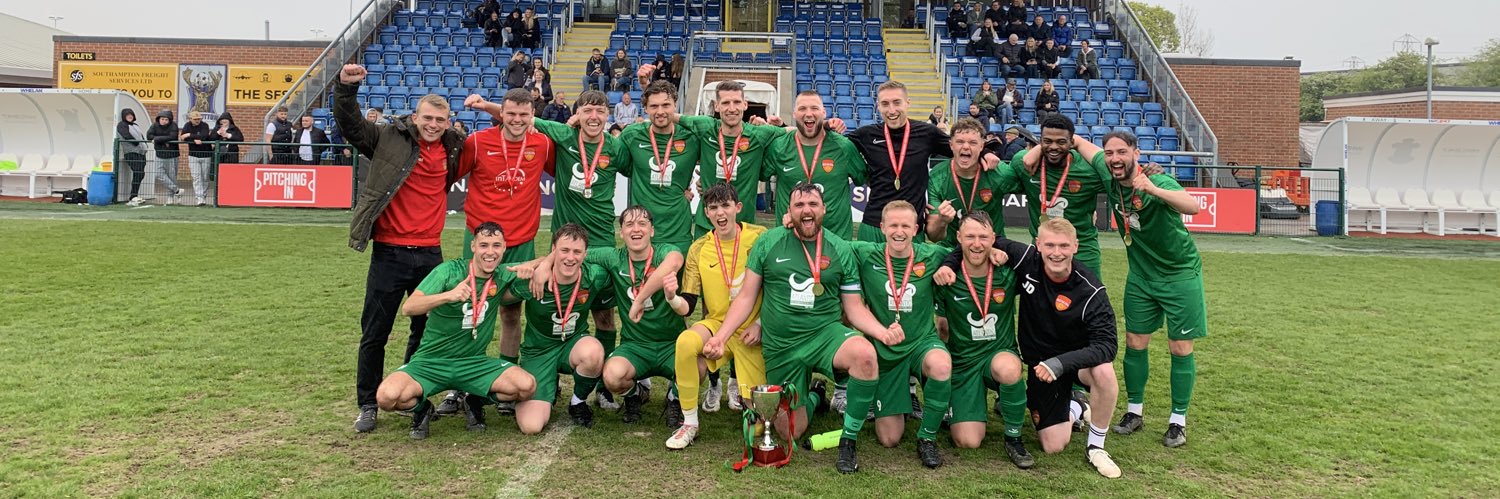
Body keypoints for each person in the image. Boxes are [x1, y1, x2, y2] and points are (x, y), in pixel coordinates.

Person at [710, 183, 889, 474]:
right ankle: (817, 394)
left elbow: (854, 307)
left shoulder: (840, 248)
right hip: (783, 345)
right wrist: (721, 337)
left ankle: (848, 440)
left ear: (824, 209)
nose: (806, 210)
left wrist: (881, 333)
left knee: (865, 356)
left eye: (813, 204)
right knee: (790, 432)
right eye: (799, 205)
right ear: (788, 211)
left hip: (824, 335)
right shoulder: (768, 243)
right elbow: (746, 297)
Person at [334, 64, 468, 434]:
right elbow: (350, 125)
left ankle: (415, 397)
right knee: (375, 331)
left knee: (426, 331)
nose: (433, 124)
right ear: (415, 116)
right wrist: (346, 89)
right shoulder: (387, 138)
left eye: (440, 119)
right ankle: (367, 403)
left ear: (448, 122)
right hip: (389, 253)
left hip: (430, 255)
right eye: (428, 117)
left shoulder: (452, 147)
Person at [937, 217, 1123, 478]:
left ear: (1075, 247)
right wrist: (948, 262)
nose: (1056, 253)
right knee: (1052, 445)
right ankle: (1076, 407)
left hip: (1074, 364)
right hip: (1041, 369)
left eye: (1063, 246)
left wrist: (1061, 363)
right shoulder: (1027, 260)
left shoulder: (1090, 289)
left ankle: (1096, 446)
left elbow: (1107, 345)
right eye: (1049, 245)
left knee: (1104, 371)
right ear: (1038, 245)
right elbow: (977, 241)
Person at [479, 89, 629, 411]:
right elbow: (520, 119)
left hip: (601, 242)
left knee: (604, 314)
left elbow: (642, 170)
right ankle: (539, 369)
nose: (593, 117)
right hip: (562, 246)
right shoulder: (562, 134)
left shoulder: (617, 148)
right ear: (577, 114)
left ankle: (601, 384)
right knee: (550, 305)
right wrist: (485, 105)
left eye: (600, 111)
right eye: (587, 110)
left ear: (608, 116)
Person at [1091, 131, 1207, 449]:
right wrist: (1073, 142)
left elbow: (1193, 206)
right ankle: (1134, 412)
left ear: (1136, 153)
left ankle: (1177, 421)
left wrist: (1153, 188)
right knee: (1134, 341)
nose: (1115, 158)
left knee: (1180, 347)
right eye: (1109, 152)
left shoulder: (1160, 182)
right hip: (1141, 276)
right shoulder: (1109, 173)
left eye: (1122, 152)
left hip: (1179, 274)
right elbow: (1085, 148)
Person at [527, 207, 688, 428]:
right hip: (636, 346)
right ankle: (634, 394)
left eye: (642, 224)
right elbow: (573, 251)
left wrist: (639, 300)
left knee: (696, 367)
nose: (636, 229)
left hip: (672, 343)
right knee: (612, 376)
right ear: (621, 232)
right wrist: (545, 263)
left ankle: (675, 399)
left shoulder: (665, 251)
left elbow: (673, 263)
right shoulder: (613, 257)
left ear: (652, 230)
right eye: (629, 225)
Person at [377, 222, 538, 439]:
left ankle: (475, 399)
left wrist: (537, 267)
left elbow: (549, 260)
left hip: (473, 363)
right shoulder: (449, 271)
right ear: (473, 246)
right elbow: (409, 307)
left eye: (496, 246)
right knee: (387, 397)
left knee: (526, 386)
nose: (490, 252)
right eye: (484, 245)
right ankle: (422, 408)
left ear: (504, 248)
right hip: (431, 362)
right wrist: (448, 295)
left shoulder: (502, 274)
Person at [450, 88, 554, 416]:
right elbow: (449, 176)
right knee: (469, 313)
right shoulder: (477, 142)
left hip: (521, 243)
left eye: (525, 115)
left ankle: (506, 383)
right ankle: (457, 384)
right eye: (510, 114)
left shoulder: (542, 144)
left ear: (533, 115)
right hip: (483, 244)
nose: (517, 120)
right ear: (501, 114)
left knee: (511, 314)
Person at [848, 201, 953, 469]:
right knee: (889, 438)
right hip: (885, 350)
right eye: (893, 225)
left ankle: (927, 438)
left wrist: (951, 265)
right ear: (881, 227)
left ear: (916, 229)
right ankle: (893, 398)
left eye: (906, 225)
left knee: (941, 364)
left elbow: (969, 250)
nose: (899, 231)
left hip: (921, 343)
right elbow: (827, 245)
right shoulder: (864, 253)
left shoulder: (931, 255)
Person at [929, 212, 1035, 469]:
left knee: (1009, 369)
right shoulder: (946, 276)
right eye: (970, 237)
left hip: (998, 353)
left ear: (994, 239)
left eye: (983, 237)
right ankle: (959, 404)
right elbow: (941, 326)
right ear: (958, 238)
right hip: (964, 363)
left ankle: (1014, 437)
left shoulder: (1007, 272)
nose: (977, 244)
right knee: (967, 441)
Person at [668, 183, 769, 449]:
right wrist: (671, 297)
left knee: (758, 427)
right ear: (706, 213)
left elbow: (776, 289)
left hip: (751, 331)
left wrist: (760, 323)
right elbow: (688, 306)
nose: (720, 213)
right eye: (713, 208)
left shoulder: (761, 237)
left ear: (738, 208)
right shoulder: (699, 248)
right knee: (686, 342)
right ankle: (689, 423)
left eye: (725, 206)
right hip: (716, 325)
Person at [506, 224, 610, 432]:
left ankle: (578, 401)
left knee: (593, 352)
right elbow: (500, 297)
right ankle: (548, 384)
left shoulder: (594, 275)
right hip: (539, 351)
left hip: (572, 344)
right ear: (553, 251)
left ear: (585, 254)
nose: (570, 258)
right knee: (531, 427)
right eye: (564, 250)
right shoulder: (534, 279)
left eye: (577, 252)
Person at [763, 91, 863, 240]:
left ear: (824, 113)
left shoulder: (844, 147)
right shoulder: (779, 146)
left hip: (835, 243)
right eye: (802, 109)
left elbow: (864, 178)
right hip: (790, 240)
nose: (808, 113)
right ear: (794, 114)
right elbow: (757, 174)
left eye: (814, 108)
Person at [617, 80, 701, 250]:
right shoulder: (632, 135)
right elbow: (604, 152)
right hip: (641, 232)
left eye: (666, 105)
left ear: (675, 106)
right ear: (645, 109)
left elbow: (716, 157)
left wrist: (703, 182)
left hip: (678, 232)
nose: (660, 111)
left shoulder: (692, 138)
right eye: (654, 106)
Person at [925, 118, 1025, 246]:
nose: (966, 147)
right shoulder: (937, 176)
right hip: (952, 249)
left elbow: (1030, 186)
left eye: (973, 143)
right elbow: (934, 236)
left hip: (992, 248)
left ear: (982, 146)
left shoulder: (998, 172)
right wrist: (942, 221)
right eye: (960, 142)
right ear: (951, 145)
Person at [144, 110, 185, 203]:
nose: (164, 121)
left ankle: (170, 197)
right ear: (159, 119)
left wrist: (157, 139)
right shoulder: (154, 125)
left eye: (166, 119)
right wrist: (161, 139)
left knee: (172, 176)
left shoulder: (173, 125)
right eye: (162, 119)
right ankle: (177, 190)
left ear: (169, 120)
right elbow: (149, 135)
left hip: (172, 154)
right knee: (158, 174)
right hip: (159, 153)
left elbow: (172, 136)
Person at [179, 111, 214, 206]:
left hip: (206, 155)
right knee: (196, 177)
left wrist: (189, 135)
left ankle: (204, 196)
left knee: (205, 177)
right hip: (193, 155)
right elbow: (183, 138)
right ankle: (199, 198)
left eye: (199, 119)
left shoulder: (205, 125)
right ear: (190, 119)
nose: (197, 121)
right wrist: (193, 139)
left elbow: (204, 135)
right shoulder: (187, 125)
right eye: (195, 119)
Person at [116, 109, 149, 206]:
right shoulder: (122, 125)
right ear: (124, 116)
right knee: (138, 171)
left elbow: (141, 137)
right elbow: (126, 135)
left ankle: (134, 196)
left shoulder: (136, 125)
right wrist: (136, 142)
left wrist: (145, 147)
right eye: (127, 115)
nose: (130, 116)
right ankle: (133, 196)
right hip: (131, 152)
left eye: (131, 115)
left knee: (140, 173)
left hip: (141, 153)